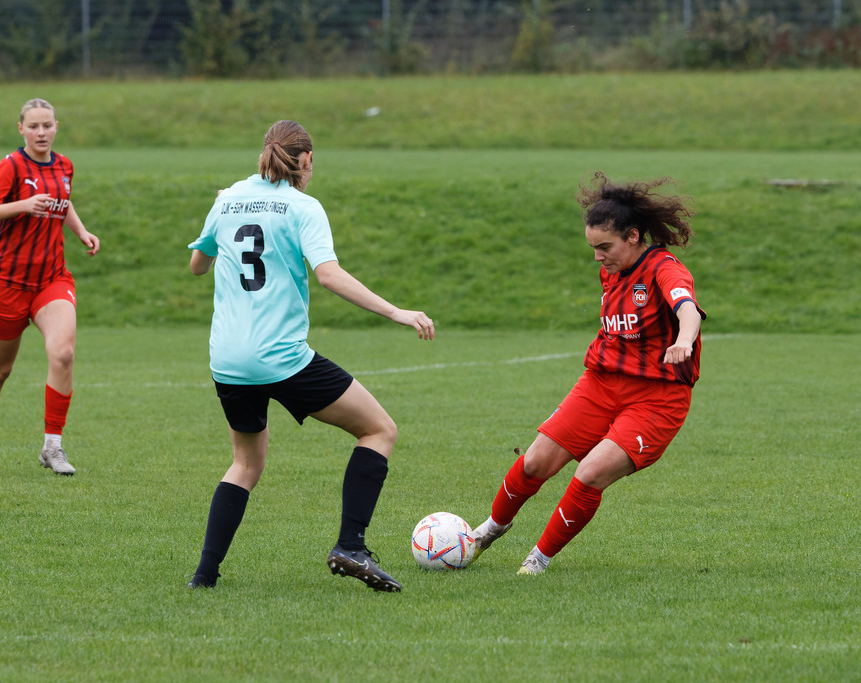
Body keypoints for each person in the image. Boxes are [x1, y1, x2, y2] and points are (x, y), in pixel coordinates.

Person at [187, 120, 435, 592]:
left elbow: (199, 265)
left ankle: (204, 577)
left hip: (228, 360)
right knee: (379, 429)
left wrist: (219, 213)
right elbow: (329, 276)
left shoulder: (228, 198)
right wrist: (396, 311)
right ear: (305, 160)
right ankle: (350, 546)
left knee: (245, 464)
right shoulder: (303, 206)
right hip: (281, 357)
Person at [471, 171, 704, 575]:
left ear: (633, 236)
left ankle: (537, 560)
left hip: (657, 396)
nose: (598, 257)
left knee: (591, 472)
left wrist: (684, 339)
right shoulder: (613, 270)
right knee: (534, 463)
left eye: (605, 247)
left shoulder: (665, 269)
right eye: (593, 247)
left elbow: (686, 307)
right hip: (600, 382)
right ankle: (488, 531)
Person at [0, 98, 100, 475]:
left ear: (56, 126)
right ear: (21, 129)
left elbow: (64, 201)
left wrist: (80, 231)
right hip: (6, 283)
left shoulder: (64, 165)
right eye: (34, 126)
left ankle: (52, 447)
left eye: (47, 125)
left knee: (63, 354)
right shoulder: (10, 166)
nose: (41, 132)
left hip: (51, 278)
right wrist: (24, 204)